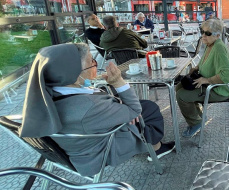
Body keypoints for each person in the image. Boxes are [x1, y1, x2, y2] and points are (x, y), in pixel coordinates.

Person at [18, 43, 174, 177]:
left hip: (79, 143)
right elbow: (133, 110)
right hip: (100, 151)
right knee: (149, 109)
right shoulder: (89, 106)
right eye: (90, 61)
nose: (95, 64)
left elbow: (95, 105)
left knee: (144, 107)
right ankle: (156, 147)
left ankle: (154, 143)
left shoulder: (43, 96)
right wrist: (118, 82)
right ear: (74, 73)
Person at [176, 18, 229, 138]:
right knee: (179, 86)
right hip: (209, 85)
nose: (203, 35)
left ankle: (196, 123)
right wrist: (196, 68)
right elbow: (206, 62)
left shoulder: (218, 48)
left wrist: (207, 80)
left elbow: (228, 74)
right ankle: (199, 116)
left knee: (181, 95)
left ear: (217, 35)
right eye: (202, 31)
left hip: (219, 89)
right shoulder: (210, 45)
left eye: (207, 33)